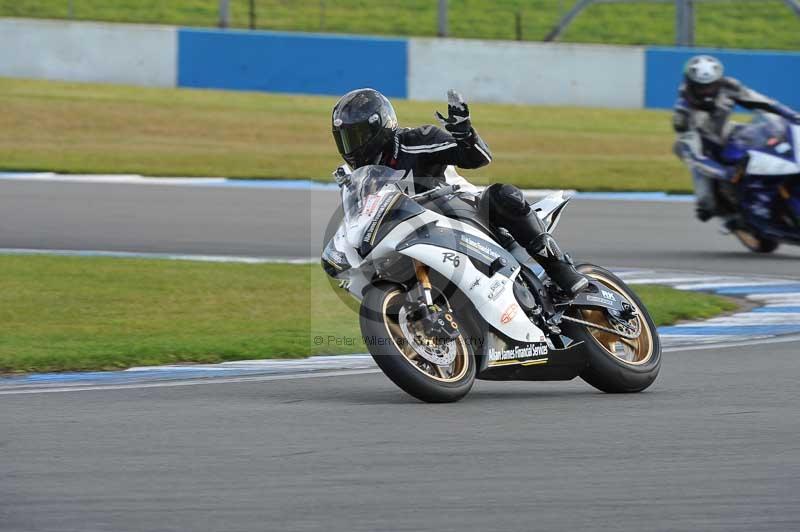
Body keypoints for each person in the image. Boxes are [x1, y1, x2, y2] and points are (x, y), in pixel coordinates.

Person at [331, 88, 588, 296]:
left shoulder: (417, 140)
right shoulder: (356, 178)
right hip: (411, 235)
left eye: (357, 136)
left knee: (501, 194)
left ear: (382, 127)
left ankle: (560, 270)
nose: (352, 146)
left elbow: (479, 159)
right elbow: (358, 218)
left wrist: (465, 135)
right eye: (344, 139)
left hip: (461, 212)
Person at [672, 55, 800, 221]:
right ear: (691, 84)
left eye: (712, 86)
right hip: (702, 148)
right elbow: (695, 156)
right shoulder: (684, 114)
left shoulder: (729, 86)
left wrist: (793, 116)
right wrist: (724, 172)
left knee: (769, 137)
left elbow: (762, 102)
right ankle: (727, 216)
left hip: (727, 131)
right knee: (706, 203)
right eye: (702, 87)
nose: (707, 91)